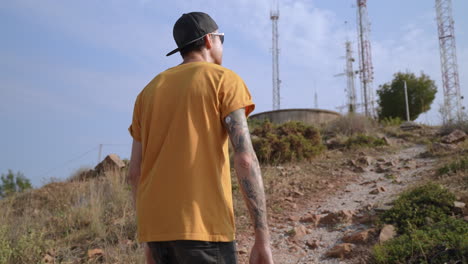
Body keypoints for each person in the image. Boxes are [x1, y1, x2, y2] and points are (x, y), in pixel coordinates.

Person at [127, 12, 274, 264]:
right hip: (205, 230)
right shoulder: (224, 80)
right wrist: (262, 238)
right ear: (209, 40)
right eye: (221, 39)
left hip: (157, 233)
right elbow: (245, 160)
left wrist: (149, 238)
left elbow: (134, 173)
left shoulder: (147, 93)